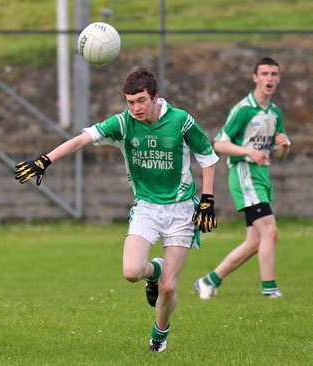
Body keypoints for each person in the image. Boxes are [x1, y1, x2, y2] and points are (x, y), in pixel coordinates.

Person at [15, 66, 219, 352]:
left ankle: (159, 336)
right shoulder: (123, 123)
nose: (135, 108)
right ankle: (155, 270)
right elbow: (82, 139)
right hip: (146, 207)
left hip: (182, 209)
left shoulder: (181, 120)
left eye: (141, 101)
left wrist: (207, 199)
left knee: (170, 288)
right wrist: (46, 160)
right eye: (130, 102)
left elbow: (207, 157)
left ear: (155, 97)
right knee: (131, 271)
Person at [195, 57, 290, 300]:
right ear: (255, 78)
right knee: (270, 231)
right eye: (265, 73)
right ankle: (270, 290)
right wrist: (249, 152)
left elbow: (278, 156)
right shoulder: (243, 109)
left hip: (262, 176)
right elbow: (219, 144)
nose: (270, 78)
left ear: (278, 78)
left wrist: (283, 146)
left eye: (274, 74)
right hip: (244, 174)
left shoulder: (275, 112)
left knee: (254, 242)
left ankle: (209, 281)